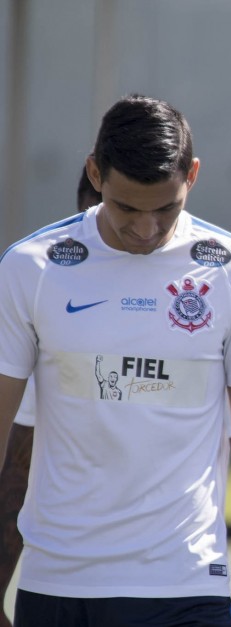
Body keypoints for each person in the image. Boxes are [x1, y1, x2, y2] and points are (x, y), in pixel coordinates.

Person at [0, 95, 231, 626]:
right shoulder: (30, 267)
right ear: (95, 173)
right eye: (128, 208)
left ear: (193, 176)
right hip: (59, 586)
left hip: (187, 587)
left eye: (166, 208)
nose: (147, 229)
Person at [0, 166, 102, 626]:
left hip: (175, 583)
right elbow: (16, 473)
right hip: (62, 583)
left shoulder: (208, 285)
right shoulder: (45, 296)